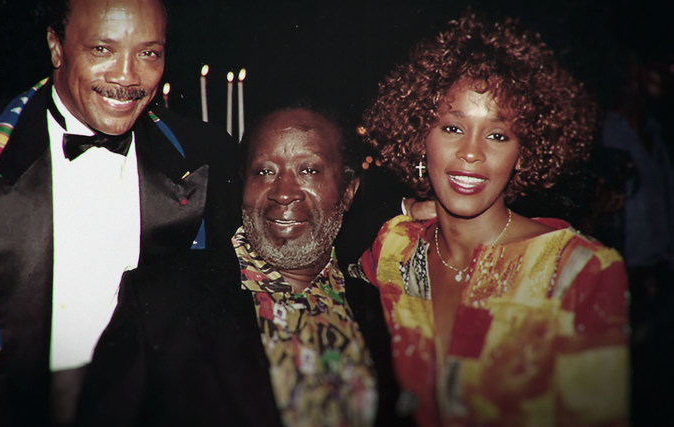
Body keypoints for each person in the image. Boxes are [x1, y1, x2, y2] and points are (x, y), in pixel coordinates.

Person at [0, 0, 240, 425]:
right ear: (56, 47)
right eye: (102, 49)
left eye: (148, 53)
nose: (127, 77)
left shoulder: (207, 154)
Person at [353, 12, 629, 426]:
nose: (471, 152)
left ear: (525, 152)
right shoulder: (394, 247)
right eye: (451, 128)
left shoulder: (579, 271)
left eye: (498, 135)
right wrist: (407, 207)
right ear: (417, 135)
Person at [76, 107, 411, 426]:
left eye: (309, 170)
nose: (284, 192)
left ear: (348, 191)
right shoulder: (161, 300)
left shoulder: (378, 307)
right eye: (265, 171)